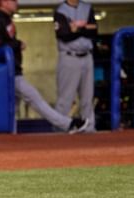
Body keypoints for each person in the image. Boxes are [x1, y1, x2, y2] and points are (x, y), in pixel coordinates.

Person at [0, 0, 89, 134]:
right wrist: (17, 44)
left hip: (13, 70)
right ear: (4, 2)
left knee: (13, 108)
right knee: (35, 99)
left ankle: (9, 139)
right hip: (7, 72)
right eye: (13, 1)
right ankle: (68, 124)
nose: (16, 3)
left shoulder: (4, 19)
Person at [54, 0, 97, 132]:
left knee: (87, 97)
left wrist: (76, 28)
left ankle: (89, 128)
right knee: (65, 98)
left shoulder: (87, 7)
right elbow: (63, 35)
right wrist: (84, 28)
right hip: (69, 57)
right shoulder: (60, 10)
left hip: (87, 56)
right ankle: (60, 129)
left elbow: (94, 31)